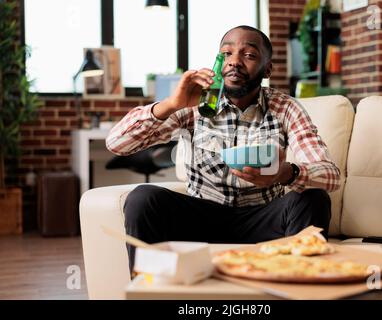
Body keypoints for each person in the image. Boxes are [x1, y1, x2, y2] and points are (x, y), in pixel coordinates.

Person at [106, 25, 341, 272]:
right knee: (143, 199)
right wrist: (170, 105)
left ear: (267, 68)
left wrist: (286, 174)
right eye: (226, 54)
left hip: (261, 220)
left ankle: (302, 287)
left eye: (249, 55)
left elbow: (330, 176)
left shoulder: (285, 108)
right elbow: (116, 144)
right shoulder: (195, 104)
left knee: (314, 198)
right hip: (201, 219)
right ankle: (152, 291)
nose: (234, 62)